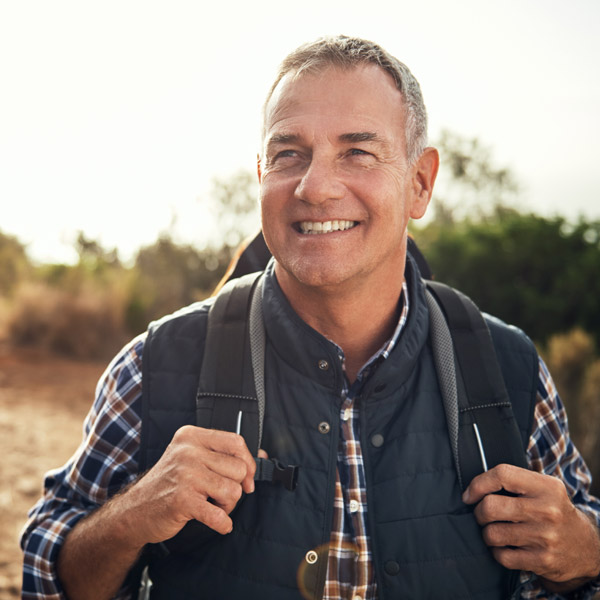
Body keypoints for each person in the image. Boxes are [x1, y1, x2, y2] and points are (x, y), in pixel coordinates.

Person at [21, 35, 600, 600]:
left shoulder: (509, 366)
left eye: (357, 151)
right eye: (288, 154)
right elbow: (50, 575)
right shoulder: (155, 365)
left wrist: (586, 553)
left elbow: (579, 555)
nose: (315, 186)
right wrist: (131, 517)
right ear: (260, 176)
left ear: (420, 183)